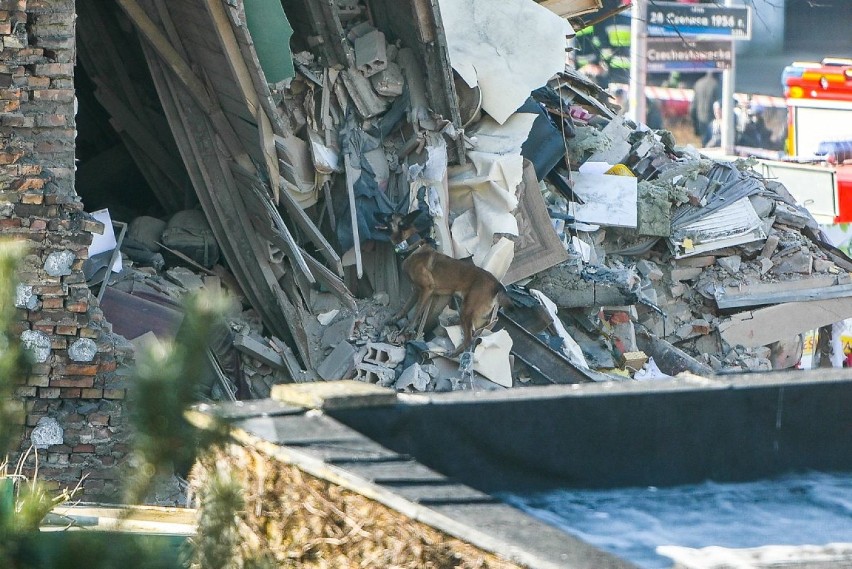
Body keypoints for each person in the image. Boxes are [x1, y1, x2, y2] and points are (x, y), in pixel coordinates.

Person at [690, 71, 721, 145]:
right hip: (714, 123)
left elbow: (693, 107)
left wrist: (695, 125)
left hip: (701, 120)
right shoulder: (717, 85)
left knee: (704, 145)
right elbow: (721, 105)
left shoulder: (698, 84)